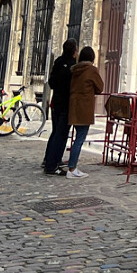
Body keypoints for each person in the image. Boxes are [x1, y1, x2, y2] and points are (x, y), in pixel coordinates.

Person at [66, 46, 104, 179]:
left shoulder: (75, 70)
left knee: (76, 138)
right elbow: (100, 87)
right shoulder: (91, 70)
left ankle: (71, 166)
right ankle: (72, 168)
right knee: (80, 139)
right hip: (84, 107)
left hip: (74, 106)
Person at [42, 38, 78, 175]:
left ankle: (49, 159)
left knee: (56, 132)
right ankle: (52, 165)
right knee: (61, 135)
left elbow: (51, 81)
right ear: (74, 51)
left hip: (56, 101)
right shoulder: (72, 66)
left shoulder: (58, 61)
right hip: (65, 103)